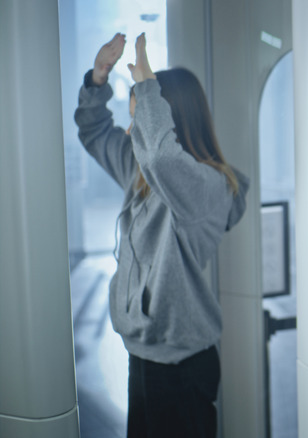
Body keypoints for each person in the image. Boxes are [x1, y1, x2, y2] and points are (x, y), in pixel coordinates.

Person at [75, 32, 249, 438]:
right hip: (145, 354)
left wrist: (146, 85)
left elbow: (161, 155)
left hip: (181, 366)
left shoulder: (207, 187)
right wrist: (98, 79)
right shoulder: (141, 172)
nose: (133, 130)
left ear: (172, 119)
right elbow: (96, 133)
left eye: (141, 118)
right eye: (134, 119)